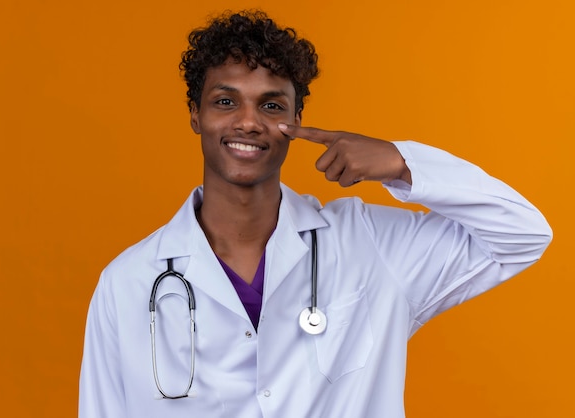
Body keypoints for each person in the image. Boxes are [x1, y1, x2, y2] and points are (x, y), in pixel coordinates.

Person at [79, 10, 552, 418]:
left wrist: (399, 161)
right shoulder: (128, 283)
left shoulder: (369, 245)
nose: (248, 121)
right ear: (195, 115)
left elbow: (522, 233)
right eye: (226, 101)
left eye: (271, 105)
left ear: (297, 120)